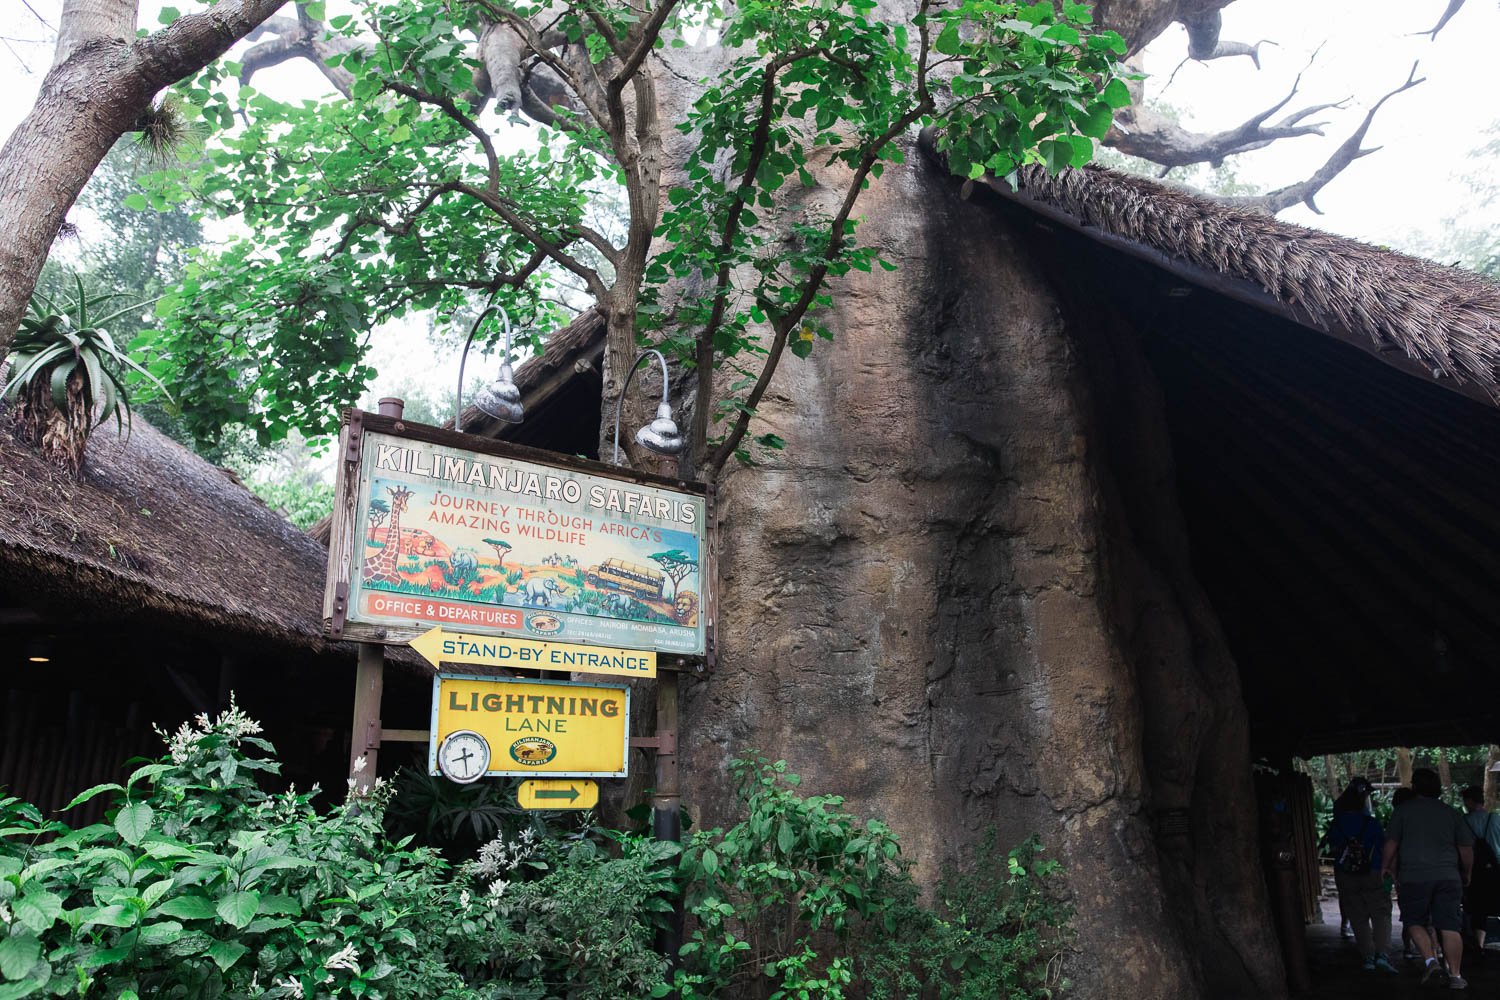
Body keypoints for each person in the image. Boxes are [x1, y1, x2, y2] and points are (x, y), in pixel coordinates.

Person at [1382, 767, 1475, 989]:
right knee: (1450, 926)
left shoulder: (1403, 811)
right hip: (1448, 876)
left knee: (1414, 921)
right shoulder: (1451, 812)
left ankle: (1431, 962)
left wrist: (1385, 867)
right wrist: (1467, 872)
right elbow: (1466, 848)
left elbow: (1391, 843)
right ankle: (1455, 976)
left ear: (1414, 787)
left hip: (1414, 877)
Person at [1326, 777, 1398, 973]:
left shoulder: (1336, 824)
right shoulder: (1372, 823)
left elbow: (1332, 847)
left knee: (1357, 916)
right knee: (1380, 914)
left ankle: (1367, 957)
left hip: (1346, 874)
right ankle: (1382, 955)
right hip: (1373, 872)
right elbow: (1385, 847)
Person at [1460, 786, 1500, 953]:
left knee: (1477, 908)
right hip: (1497, 868)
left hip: (1474, 870)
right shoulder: (1495, 818)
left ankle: (1479, 945)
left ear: (1469, 801)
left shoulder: (1463, 821)